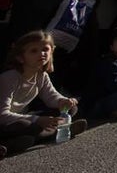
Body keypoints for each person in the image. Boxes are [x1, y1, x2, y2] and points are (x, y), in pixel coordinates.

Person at [0, 30, 86, 159]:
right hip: (6, 122)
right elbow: (3, 115)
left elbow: (51, 96)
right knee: (26, 125)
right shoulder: (9, 77)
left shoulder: (41, 75)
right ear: (20, 57)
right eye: (34, 51)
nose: (42, 54)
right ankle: (55, 131)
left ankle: (25, 141)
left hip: (22, 119)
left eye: (45, 49)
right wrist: (38, 120)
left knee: (70, 109)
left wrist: (63, 101)